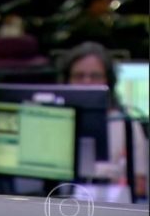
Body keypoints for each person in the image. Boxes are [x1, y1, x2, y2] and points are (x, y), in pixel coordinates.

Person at [60, 41, 147, 199]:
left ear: (109, 81)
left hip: (109, 205)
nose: (86, 82)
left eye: (95, 76)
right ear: (67, 80)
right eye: (79, 76)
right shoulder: (55, 121)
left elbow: (140, 187)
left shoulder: (126, 124)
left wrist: (107, 177)